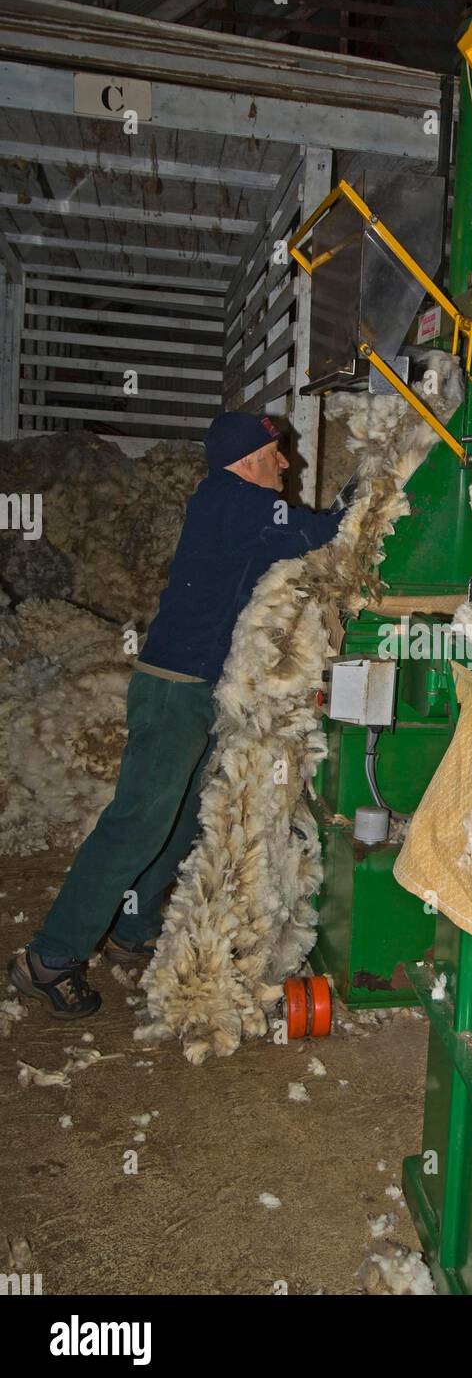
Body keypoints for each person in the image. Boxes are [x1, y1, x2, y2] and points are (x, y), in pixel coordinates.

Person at [9, 412, 344, 1020]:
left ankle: (131, 928)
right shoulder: (232, 498)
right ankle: (49, 958)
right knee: (137, 822)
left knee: (184, 816)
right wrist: (362, 508)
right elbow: (307, 533)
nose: (287, 463)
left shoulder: (234, 504)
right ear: (249, 460)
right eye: (278, 453)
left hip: (190, 687)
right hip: (173, 690)